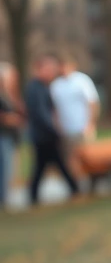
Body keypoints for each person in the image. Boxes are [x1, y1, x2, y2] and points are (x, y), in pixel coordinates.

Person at [24, 53, 78, 205]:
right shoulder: (35, 88)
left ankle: (74, 188)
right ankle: (74, 188)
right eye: (49, 69)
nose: (52, 72)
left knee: (49, 166)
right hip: (43, 137)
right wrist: (55, 130)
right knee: (48, 166)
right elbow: (41, 114)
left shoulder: (42, 87)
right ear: (41, 69)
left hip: (46, 136)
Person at [50, 53, 100, 179]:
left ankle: (91, 183)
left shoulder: (82, 80)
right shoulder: (56, 85)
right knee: (70, 160)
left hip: (82, 127)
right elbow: (55, 109)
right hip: (67, 129)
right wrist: (58, 126)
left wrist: (90, 124)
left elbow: (92, 103)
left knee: (88, 158)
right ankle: (78, 186)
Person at [0, 60, 25, 208]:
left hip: (11, 137)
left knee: (9, 169)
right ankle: (3, 200)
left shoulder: (8, 95)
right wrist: (11, 119)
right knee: (4, 169)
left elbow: (19, 108)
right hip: (3, 136)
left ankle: (5, 197)